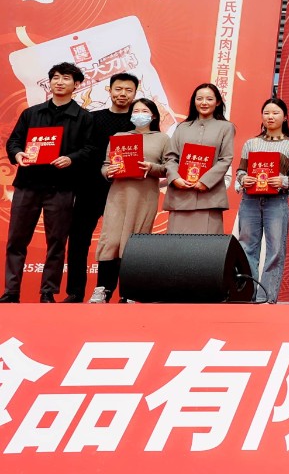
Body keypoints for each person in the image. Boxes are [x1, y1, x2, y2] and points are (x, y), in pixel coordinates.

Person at [3, 61, 91, 303]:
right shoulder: (31, 113)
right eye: (55, 77)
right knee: (16, 240)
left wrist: (71, 158)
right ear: (49, 82)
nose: (59, 82)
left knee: (56, 241)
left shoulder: (83, 117)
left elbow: (90, 149)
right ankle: (11, 291)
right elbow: (14, 141)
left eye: (66, 78)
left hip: (61, 188)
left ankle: (48, 292)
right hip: (28, 184)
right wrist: (17, 154)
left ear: (77, 84)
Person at [65, 71, 138, 302]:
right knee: (78, 239)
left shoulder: (139, 122)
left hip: (123, 189)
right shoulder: (91, 118)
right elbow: (80, 149)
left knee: (120, 242)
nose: (123, 94)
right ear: (110, 90)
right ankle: (75, 292)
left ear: (135, 93)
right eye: (118, 89)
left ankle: (112, 292)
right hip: (89, 187)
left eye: (128, 90)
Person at [89, 97, 170, 303]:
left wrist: (151, 167)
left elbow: (169, 167)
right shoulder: (120, 137)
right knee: (111, 241)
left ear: (153, 116)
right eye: (136, 111)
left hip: (144, 196)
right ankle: (103, 289)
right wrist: (108, 171)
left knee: (135, 244)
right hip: (119, 195)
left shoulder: (162, 139)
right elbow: (106, 165)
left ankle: (130, 293)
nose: (139, 114)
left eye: (144, 111)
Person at [234, 97, 289, 302]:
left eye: (275, 113)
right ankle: (247, 295)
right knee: (247, 248)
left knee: (276, 250)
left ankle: (267, 297)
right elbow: (240, 171)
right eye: (266, 113)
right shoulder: (251, 143)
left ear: (285, 117)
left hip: (277, 201)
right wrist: (243, 179)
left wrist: (283, 180)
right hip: (250, 200)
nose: (270, 117)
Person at [163, 82, 236, 235]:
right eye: (199, 98)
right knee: (176, 245)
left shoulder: (226, 127)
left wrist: (205, 182)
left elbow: (225, 159)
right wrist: (175, 178)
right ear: (194, 101)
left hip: (209, 197)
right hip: (180, 196)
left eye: (209, 99)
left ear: (217, 102)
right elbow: (170, 157)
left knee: (206, 246)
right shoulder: (182, 127)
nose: (204, 102)